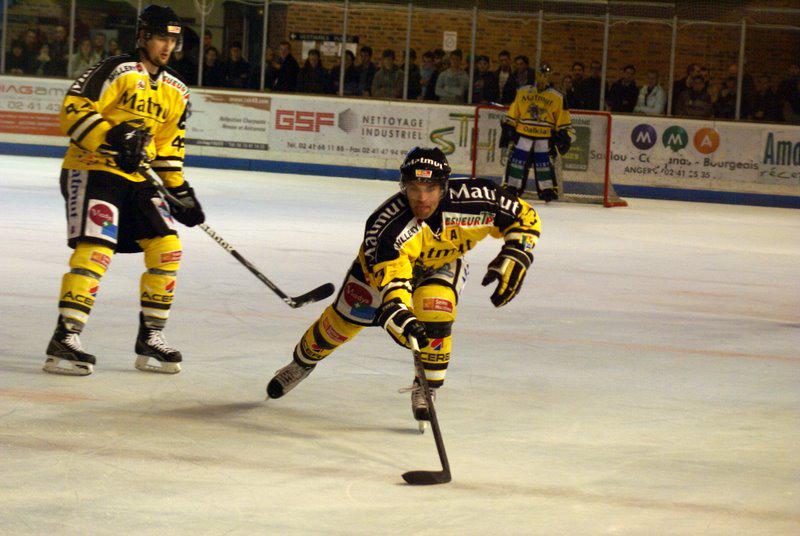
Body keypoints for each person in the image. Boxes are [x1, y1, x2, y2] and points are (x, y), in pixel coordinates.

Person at [266, 148, 541, 428]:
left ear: (444, 186)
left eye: (431, 188)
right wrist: (398, 310)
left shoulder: (479, 200)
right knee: (337, 327)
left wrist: (519, 251)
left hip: (441, 265)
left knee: (437, 307)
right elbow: (394, 276)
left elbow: (524, 215)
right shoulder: (386, 224)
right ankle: (302, 363)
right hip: (375, 277)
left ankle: (426, 387)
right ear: (404, 186)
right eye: (414, 188)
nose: (422, 198)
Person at [43, 4, 205, 376]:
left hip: (136, 180)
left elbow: (167, 149)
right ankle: (65, 335)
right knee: (97, 246)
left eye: (173, 40)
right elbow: (74, 108)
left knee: (167, 246)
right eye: (161, 37)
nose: (167, 47)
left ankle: (151, 336)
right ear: (143, 37)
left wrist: (181, 192)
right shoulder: (117, 70)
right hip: (92, 168)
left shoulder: (176, 90)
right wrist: (111, 135)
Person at [499, 63, 573, 202]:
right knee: (517, 162)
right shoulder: (522, 91)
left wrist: (562, 133)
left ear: (550, 77)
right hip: (523, 135)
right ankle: (512, 188)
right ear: (536, 75)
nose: (543, 77)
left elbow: (563, 118)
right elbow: (514, 112)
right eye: (540, 74)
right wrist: (509, 127)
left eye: (546, 75)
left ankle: (547, 191)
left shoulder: (558, 97)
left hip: (544, 138)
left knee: (543, 164)